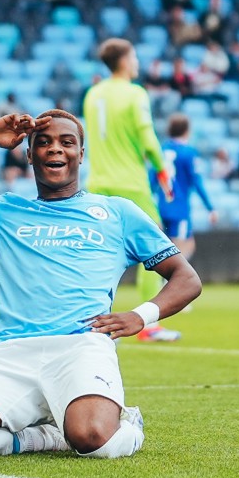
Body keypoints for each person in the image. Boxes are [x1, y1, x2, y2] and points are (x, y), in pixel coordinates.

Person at [0, 110, 202, 458]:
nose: (54, 149)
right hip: (8, 349)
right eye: (42, 143)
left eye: (67, 142)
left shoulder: (118, 213)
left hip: (81, 346)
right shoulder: (1, 212)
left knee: (93, 438)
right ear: (29, 155)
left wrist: (141, 316)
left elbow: (186, 278)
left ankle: (128, 424)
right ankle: (45, 436)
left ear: (81, 153)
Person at [83, 38, 178, 342]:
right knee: (156, 248)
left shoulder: (93, 94)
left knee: (94, 249)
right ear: (124, 60)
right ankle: (149, 324)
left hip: (96, 183)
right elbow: (147, 137)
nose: (137, 62)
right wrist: (162, 170)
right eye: (134, 56)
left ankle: (83, 318)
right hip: (130, 183)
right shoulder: (135, 94)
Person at [154, 114, 217, 264]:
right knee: (182, 250)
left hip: (161, 208)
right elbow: (197, 182)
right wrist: (210, 208)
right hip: (180, 209)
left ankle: (166, 279)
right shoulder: (189, 153)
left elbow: (152, 179)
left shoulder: (160, 151)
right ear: (186, 131)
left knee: (165, 249)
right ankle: (172, 282)